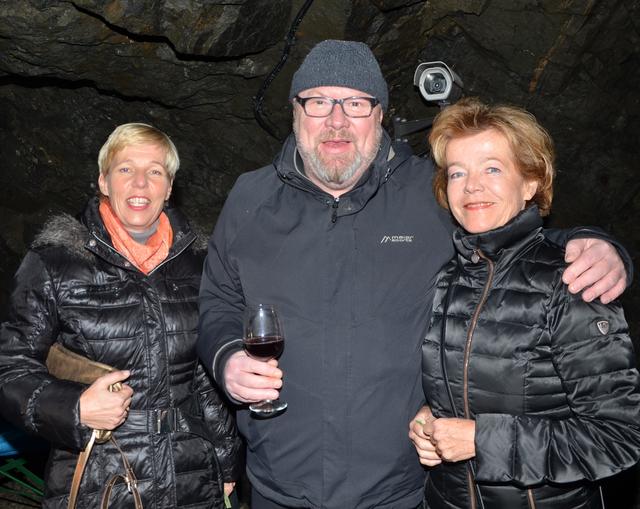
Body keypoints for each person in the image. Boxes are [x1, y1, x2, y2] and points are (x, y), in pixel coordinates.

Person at [197, 40, 631, 509]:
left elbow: (504, 232)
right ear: (295, 113)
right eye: (318, 102)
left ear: (380, 115)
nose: (336, 120)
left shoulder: (431, 192)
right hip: (277, 485)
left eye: (356, 104)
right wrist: (226, 359)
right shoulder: (250, 198)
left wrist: (597, 245)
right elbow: (218, 301)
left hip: (401, 490)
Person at [409, 98, 640, 508]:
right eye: (458, 172)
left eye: (492, 169)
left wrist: (482, 441)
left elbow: (619, 437)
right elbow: (468, 392)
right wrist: (430, 417)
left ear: (531, 183)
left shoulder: (570, 282)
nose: (472, 185)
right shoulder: (448, 279)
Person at [0, 123, 242, 508]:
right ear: (104, 181)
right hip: (100, 476)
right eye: (125, 168)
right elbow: (10, 367)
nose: (140, 182)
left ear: (169, 187)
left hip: (190, 475)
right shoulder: (55, 261)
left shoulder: (200, 263)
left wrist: (226, 459)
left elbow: (204, 374)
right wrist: (74, 407)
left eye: (155, 171)